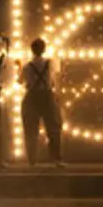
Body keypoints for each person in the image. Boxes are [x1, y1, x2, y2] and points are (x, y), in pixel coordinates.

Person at [17, 38, 63, 167]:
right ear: (44, 49)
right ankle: (56, 159)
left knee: (30, 130)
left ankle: (31, 160)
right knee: (53, 128)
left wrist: (19, 66)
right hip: (47, 96)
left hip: (31, 97)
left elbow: (20, 81)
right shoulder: (51, 63)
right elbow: (56, 76)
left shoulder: (27, 66)